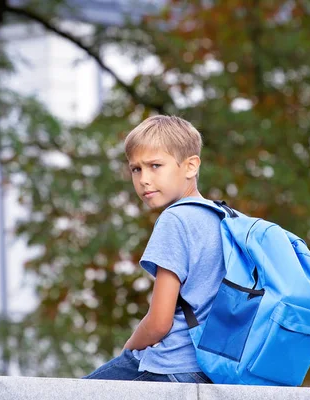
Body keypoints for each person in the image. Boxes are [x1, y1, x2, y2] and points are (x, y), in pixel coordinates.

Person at [83, 115, 225, 383]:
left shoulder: (175, 219)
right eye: (136, 169)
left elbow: (160, 322)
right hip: (217, 369)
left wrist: (127, 349)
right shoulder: (226, 219)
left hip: (172, 366)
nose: (144, 179)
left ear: (190, 166)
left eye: (155, 166)